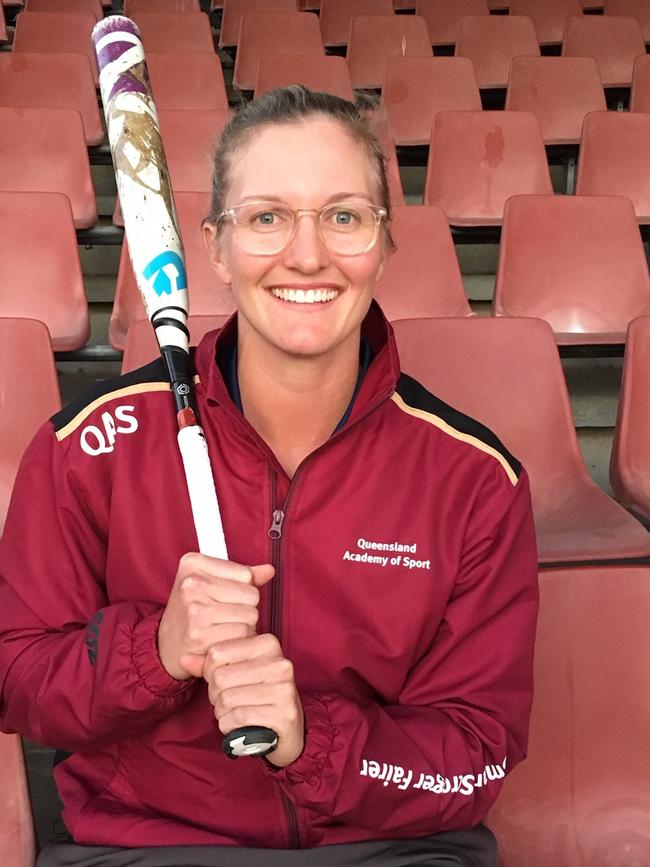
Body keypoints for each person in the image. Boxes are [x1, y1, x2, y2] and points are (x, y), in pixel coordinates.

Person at [0, 86, 538, 866]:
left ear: (386, 243)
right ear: (215, 246)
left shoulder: (475, 478)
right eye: (267, 217)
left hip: (387, 847)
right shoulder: (88, 447)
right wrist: (156, 649)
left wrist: (311, 741)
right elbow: (17, 680)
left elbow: (478, 752)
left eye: (344, 216)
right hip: (150, 847)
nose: (308, 253)